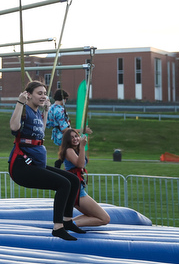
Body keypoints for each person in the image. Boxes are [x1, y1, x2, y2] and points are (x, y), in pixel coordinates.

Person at [9, 81, 85, 240]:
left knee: (73, 180)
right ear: (29, 95)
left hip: (36, 164)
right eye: (39, 93)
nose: (43, 96)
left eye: (45, 93)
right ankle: (58, 227)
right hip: (22, 167)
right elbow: (14, 127)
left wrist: (47, 110)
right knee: (63, 184)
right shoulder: (25, 110)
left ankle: (68, 221)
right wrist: (19, 103)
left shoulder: (36, 112)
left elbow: (40, 132)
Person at [58, 128, 111, 227]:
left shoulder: (75, 150)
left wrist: (81, 145)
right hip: (76, 191)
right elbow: (80, 164)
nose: (75, 139)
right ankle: (67, 225)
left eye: (76, 136)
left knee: (90, 215)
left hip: (77, 189)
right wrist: (82, 147)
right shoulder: (69, 150)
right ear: (67, 141)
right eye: (72, 138)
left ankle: (68, 223)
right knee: (104, 218)